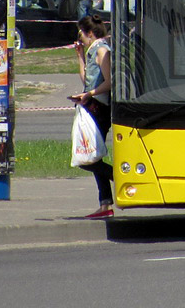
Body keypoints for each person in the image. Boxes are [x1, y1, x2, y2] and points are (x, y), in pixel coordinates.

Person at [69, 14, 113, 219]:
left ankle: (120, 178)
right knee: (93, 155)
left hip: (100, 108)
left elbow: (108, 83)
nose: (80, 38)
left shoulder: (102, 50)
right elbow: (87, 79)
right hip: (90, 105)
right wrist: (79, 55)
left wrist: (89, 94)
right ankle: (105, 204)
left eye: (81, 34)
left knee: (89, 158)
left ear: (90, 33)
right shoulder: (91, 51)